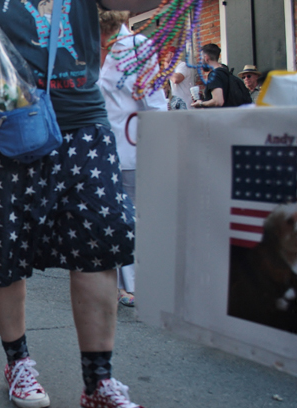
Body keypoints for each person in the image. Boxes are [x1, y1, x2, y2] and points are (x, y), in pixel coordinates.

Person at [0, 0, 162, 408]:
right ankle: (17, 361)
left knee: (100, 240)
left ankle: (99, 384)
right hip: (1, 126)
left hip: (83, 126)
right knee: (4, 252)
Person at [98, 8, 167, 307]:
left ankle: (136, 284)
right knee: (109, 216)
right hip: (97, 149)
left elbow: (153, 103)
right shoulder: (82, 48)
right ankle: (115, 283)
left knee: (132, 215)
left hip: (130, 146)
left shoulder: (138, 47)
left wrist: (159, 147)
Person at [191, 43, 228, 108]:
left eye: (201, 58)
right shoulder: (225, 72)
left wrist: (200, 103)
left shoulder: (214, 75)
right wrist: (205, 98)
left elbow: (218, 101)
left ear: (206, 58)